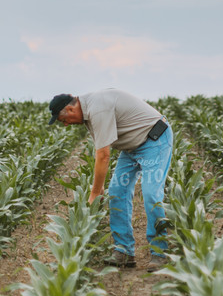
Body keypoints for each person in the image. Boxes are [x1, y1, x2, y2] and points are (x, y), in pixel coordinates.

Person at [48, 89, 173, 272]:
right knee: (116, 192)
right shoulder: (88, 111)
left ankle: (159, 252)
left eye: (63, 120)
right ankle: (124, 251)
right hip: (131, 147)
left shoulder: (97, 109)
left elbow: (103, 156)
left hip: (154, 140)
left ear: (71, 109)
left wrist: (95, 192)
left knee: (151, 194)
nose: (66, 125)